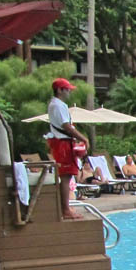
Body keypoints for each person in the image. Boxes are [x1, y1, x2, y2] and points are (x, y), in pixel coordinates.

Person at [46, 78, 90, 220]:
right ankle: (65, 210)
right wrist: (83, 138)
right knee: (66, 176)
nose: (69, 92)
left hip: (61, 142)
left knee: (67, 176)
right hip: (63, 144)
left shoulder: (56, 104)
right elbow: (66, 126)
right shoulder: (58, 105)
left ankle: (65, 208)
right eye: (67, 89)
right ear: (60, 90)